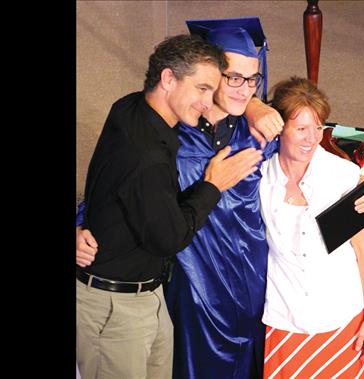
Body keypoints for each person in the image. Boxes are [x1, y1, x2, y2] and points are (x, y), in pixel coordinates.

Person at [76, 17, 364, 379]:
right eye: (232, 78)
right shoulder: (175, 133)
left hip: (252, 285)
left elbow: (313, 133)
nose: (244, 89)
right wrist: (82, 223)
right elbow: (120, 179)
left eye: (252, 80)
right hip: (194, 284)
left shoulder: (259, 131)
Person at [75, 34, 264, 379]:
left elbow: (107, 183)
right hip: (115, 308)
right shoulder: (146, 154)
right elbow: (169, 237)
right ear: (167, 79)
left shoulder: (131, 107)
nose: (208, 102)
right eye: (202, 89)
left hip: (150, 295)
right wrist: (213, 184)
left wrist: (255, 105)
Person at [260, 77, 364, 378]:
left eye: (318, 127)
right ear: (280, 128)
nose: (311, 138)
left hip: (343, 321)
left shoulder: (342, 176)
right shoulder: (259, 179)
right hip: (284, 323)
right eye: (301, 128)